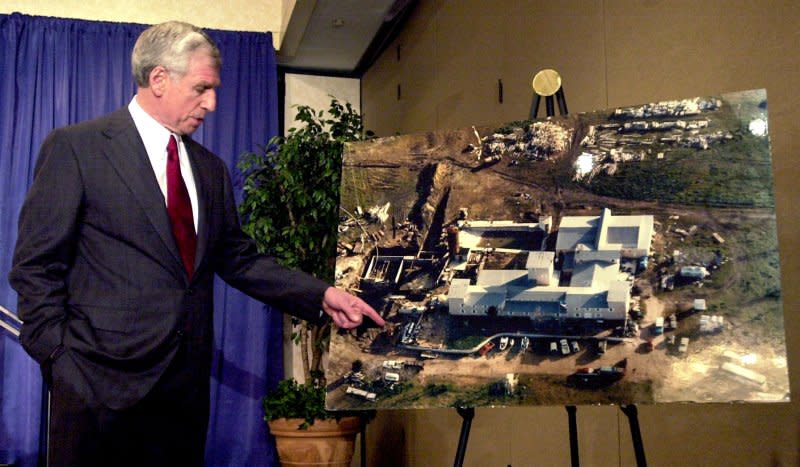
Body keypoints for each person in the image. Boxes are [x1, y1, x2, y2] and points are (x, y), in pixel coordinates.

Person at [8, 21, 384, 466]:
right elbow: (35, 267)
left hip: (183, 392)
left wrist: (321, 295)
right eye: (202, 88)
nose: (213, 103)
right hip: (95, 388)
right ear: (160, 79)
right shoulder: (77, 148)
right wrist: (61, 360)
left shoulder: (210, 169)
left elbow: (238, 258)